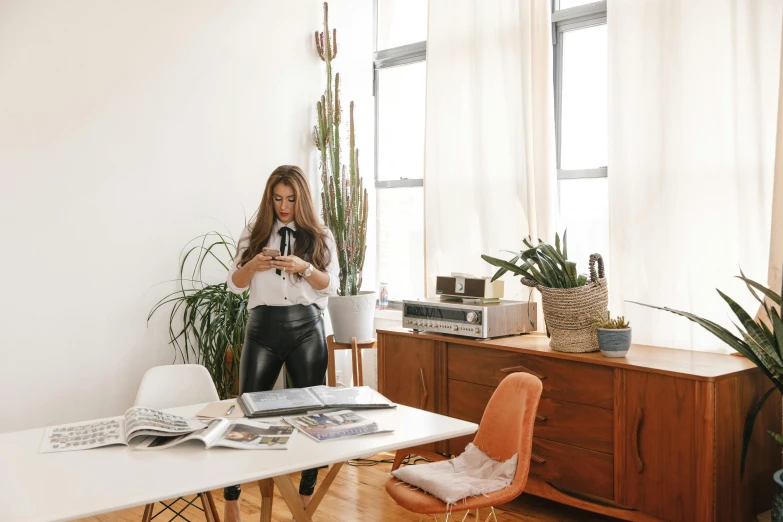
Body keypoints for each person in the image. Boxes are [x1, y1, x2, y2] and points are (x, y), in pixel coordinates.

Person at [222, 165, 339, 522]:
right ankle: (232, 499)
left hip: (307, 329)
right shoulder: (254, 233)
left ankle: (304, 497)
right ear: (269, 198)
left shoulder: (319, 235)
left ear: (301, 199)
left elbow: (329, 285)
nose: (284, 206)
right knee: (246, 412)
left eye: (290, 199)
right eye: (277, 198)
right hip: (263, 328)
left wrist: (303, 267)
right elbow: (235, 283)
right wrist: (255, 264)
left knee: (311, 415)